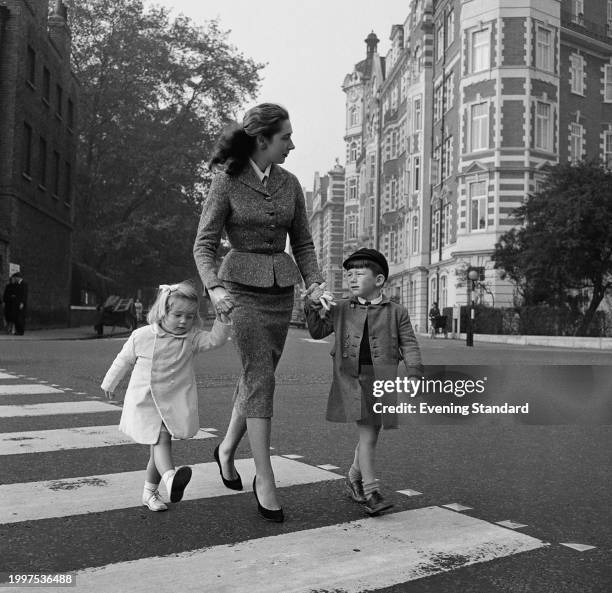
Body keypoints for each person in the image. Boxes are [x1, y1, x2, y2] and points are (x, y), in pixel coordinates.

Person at [193, 103, 324, 522]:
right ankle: (264, 477)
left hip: (279, 291)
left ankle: (226, 449)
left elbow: (302, 242)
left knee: (256, 372)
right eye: (285, 137)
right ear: (262, 140)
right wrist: (213, 288)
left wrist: (315, 282)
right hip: (239, 292)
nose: (292, 144)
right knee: (261, 375)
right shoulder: (226, 182)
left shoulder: (291, 183)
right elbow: (204, 243)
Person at [304, 248, 424, 516]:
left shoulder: (397, 312)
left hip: (382, 380)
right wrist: (312, 307)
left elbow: (410, 345)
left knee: (371, 434)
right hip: (352, 381)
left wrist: (414, 372)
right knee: (368, 434)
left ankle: (352, 477)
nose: (352, 279)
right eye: (349, 275)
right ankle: (372, 492)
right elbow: (317, 330)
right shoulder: (340, 308)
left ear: (379, 280)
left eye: (359, 273)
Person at [100, 282, 232, 512]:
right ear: (163, 312)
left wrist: (222, 317)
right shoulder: (142, 336)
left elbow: (216, 340)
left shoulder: (191, 338)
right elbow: (123, 360)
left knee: (158, 444)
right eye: (178, 315)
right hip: (146, 400)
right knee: (161, 440)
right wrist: (110, 382)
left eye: (190, 316)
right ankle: (170, 478)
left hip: (172, 401)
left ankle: (149, 493)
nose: (184, 321)